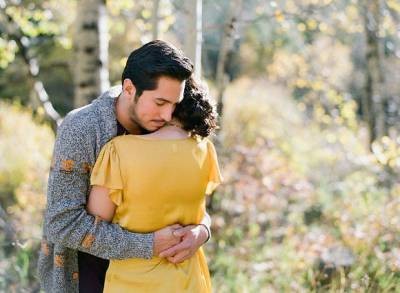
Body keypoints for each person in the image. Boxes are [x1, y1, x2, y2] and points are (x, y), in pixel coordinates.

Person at [37, 40, 212, 293]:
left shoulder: (167, 125)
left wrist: (202, 229)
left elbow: (189, 200)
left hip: (160, 282)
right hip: (87, 279)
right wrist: (150, 244)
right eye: (160, 103)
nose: (167, 115)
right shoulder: (82, 128)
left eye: (174, 104)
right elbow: (62, 224)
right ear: (129, 88)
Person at [86, 78, 222, 292]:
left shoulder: (119, 152)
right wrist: (203, 230)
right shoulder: (205, 150)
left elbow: (94, 226)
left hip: (133, 283)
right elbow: (199, 213)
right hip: (189, 281)